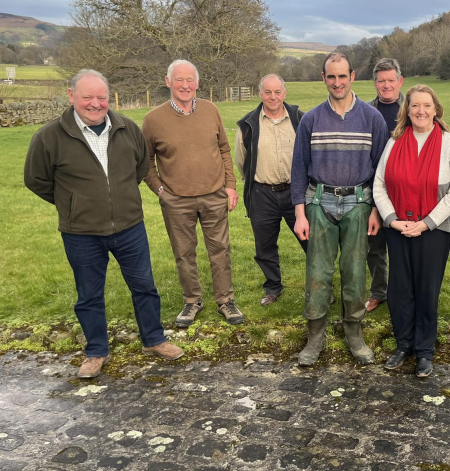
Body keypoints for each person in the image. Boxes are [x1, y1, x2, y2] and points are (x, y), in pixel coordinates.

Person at [24, 69, 183, 378]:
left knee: (144, 287)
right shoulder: (49, 137)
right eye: (87, 97)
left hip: (129, 227)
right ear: (71, 97)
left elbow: (139, 168)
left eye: (101, 97)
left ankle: (154, 339)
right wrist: (73, 205)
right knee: (89, 295)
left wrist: (119, 199)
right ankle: (96, 351)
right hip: (81, 233)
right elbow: (36, 180)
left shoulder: (128, 128)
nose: (95, 104)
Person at [291, 52, 390, 366]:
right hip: (319, 202)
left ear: (352, 76)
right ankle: (315, 335)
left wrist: (375, 209)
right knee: (318, 271)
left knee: (355, 270)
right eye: (331, 77)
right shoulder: (311, 119)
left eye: (342, 76)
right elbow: (298, 168)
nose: (337, 82)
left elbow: (381, 170)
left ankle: (354, 332)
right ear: (323, 78)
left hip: (358, 204)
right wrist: (299, 213)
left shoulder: (372, 118)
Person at [373, 85, 450, 377]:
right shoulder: (394, 141)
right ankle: (403, 344)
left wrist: (427, 223)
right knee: (400, 289)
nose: (421, 111)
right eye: (415, 106)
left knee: (426, 289)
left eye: (427, 105)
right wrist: (392, 219)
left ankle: (425, 350)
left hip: (434, 229)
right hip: (398, 226)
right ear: (407, 110)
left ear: (436, 109)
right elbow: (379, 184)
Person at [142, 60, 243, 328]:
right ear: (168, 82)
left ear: (197, 83)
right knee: (184, 253)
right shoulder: (153, 120)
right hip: (176, 200)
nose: (185, 85)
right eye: (179, 80)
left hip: (213, 195)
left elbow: (223, 149)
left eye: (190, 80)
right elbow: (144, 161)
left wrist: (230, 185)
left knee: (220, 250)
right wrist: (160, 190)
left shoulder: (211, 110)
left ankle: (225, 301)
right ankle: (192, 302)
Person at [235, 74, 307, 307]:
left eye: (277, 92)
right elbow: (241, 161)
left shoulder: (300, 119)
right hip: (262, 194)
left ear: (285, 93)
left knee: (312, 242)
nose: (273, 97)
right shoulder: (247, 125)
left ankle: (321, 286)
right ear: (260, 94)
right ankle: (273, 287)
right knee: (264, 246)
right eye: (268, 92)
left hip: (297, 193)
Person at [364, 58, 405, 313]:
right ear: (375, 83)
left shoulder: (412, 111)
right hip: (372, 188)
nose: (386, 85)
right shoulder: (366, 111)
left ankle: (401, 292)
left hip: (403, 189)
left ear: (400, 81)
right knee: (375, 245)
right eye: (382, 81)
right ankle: (379, 291)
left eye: (391, 80)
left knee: (402, 245)